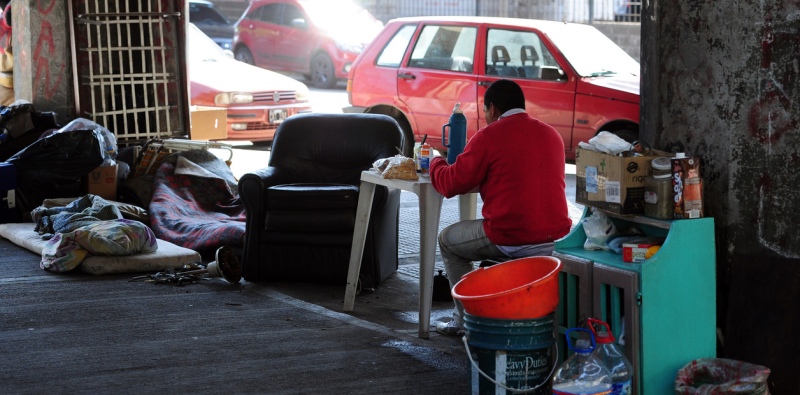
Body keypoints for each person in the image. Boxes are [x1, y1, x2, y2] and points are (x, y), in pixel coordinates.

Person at [428, 79, 572, 336]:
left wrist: (434, 163)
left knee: (447, 242)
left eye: (484, 111)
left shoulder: (489, 136)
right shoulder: (552, 134)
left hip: (511, 236)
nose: (484, 117)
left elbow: (450, 184)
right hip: (556, 238)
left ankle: (464, 322)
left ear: (492, 108)